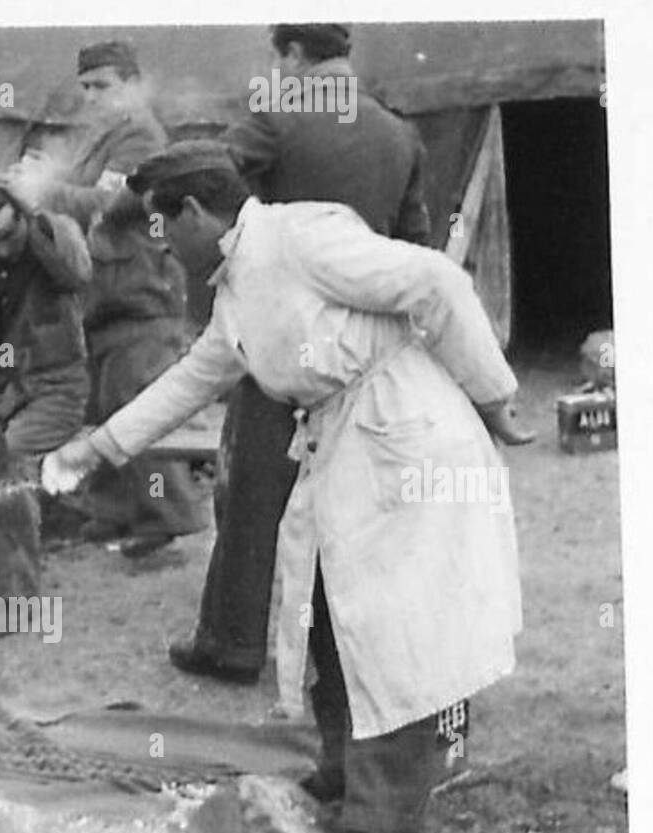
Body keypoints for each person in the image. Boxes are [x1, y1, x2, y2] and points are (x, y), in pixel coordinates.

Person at [43, 145, 530, 833]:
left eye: (163, 225)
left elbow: (435, 280)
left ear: (198, 212)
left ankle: (374, 832)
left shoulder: (301, 236)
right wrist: (99, 445)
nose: (160, 242)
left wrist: (493, 392)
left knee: (389, 629)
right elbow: (192, 378)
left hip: (404, 434)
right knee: (333, 615)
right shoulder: (237, 288)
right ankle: (345, 768)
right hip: (345, 443)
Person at [169, 23, 435, 687]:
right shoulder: (401, 135)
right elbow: (414, 246)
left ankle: (231, 643)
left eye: (277, 59)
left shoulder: (278, 114)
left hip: (283, 336)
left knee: (253, 489)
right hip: (360, 350)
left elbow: (219, 195)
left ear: (291, 55)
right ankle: (346, 652)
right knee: (351, 501)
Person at [8, 39, 205, 557]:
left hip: (141, 289)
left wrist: (43, 191)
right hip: (110, 289)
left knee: (140, 400)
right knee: (107, 402)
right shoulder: (105, 135)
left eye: (103, 85)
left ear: (132, 84)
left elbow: (119, 200)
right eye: (87, 86)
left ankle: (165, 517)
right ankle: (118, 510)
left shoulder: (140, 135)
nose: (92, 96)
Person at [0, 176, 92, 613]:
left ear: (24, 215)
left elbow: (77, 273)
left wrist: (35, 223)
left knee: (5, 465)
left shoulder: (54, 235)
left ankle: (14, 600)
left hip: (57, 387)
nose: (3, 249)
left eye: (10, 235)